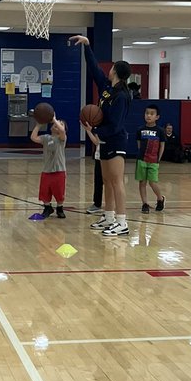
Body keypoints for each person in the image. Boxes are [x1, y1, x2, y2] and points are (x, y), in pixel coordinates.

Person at [69, 36, 131, 236]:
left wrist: (94, 130)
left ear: (117, 72)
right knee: (106, 180)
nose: (109, 68)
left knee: (116, 181)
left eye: (112, 67)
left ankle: (122, 222)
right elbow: (95, 70)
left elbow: (115, 125)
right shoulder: (108, 89)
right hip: (104, 141)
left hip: (115, 140)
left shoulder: (121, 96)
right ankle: (110, 216)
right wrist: (87, 46)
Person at [31, 116, 67, 218]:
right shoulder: (46, 138)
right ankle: (47, 207)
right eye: (55, 124)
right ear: (51, 127)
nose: (58, 124)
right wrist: (38, 125)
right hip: (47, 170)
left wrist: (55, 119)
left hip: (59, 170)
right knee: (45, 192)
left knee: (59, 192)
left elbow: (62, 130)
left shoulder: (62, 139)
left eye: (61, 123)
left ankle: (60, 208)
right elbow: (33, 138)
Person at [136, 104, 166, 212]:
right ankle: (145, 204)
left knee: (152, 182)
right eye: (147, 113)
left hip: (153, 160)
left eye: (152, 114)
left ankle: (160, 198)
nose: (149, 115)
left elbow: (162, 145)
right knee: (142, 182)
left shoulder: (160, 131)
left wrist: (159, 158)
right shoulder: (140, 130)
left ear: (157, 117)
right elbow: (139, 145)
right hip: (142, 160)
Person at [85, 124, 103, 214]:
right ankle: (97, 204)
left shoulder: (112, 126)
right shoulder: (98, 127)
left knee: (111, 183)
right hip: (99, 156)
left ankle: (112, 207)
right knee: (98, 182)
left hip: (111, 157)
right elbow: (96, 142)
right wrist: (88, 130)